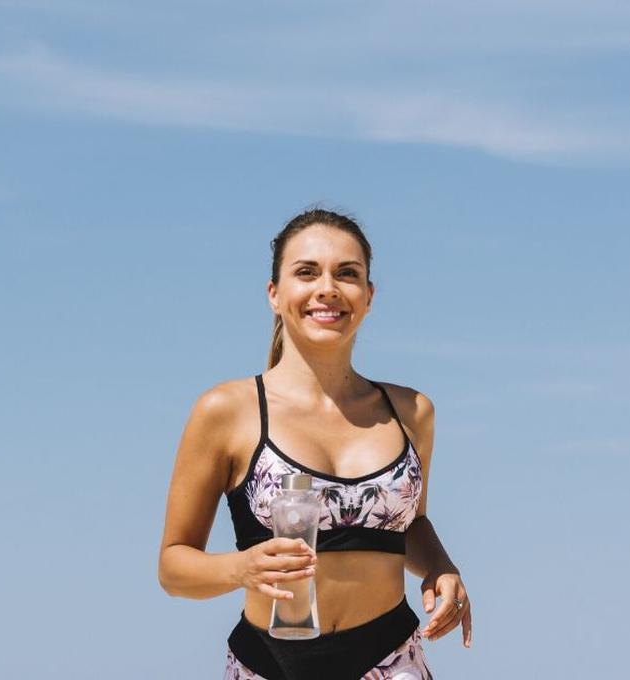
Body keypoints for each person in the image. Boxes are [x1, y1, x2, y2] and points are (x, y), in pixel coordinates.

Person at [157, 207, 472, 679]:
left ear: (368, 296)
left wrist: (442, 568)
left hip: (391, 661)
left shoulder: (411, 413)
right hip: (268, 664)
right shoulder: (227, 411)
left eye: (347, 274)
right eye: (307, 272)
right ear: (274, 294)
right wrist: (241, 569)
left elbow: (411, 524)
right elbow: (173, 566)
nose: (327, 288)